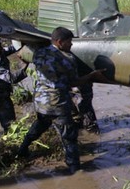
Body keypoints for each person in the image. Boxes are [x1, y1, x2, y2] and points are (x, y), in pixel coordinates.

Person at [16, 27, 103, 173]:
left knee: (40, 125)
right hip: (58, 104)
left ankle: (22, 150)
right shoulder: (67, 59)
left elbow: (24, 56)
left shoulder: (39, 53)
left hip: (41, 102)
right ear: (60, 42)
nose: (71, 45)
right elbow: (74, 82)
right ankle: (75, 169)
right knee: (69, 137)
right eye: (69, 42)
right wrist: (92, 76)